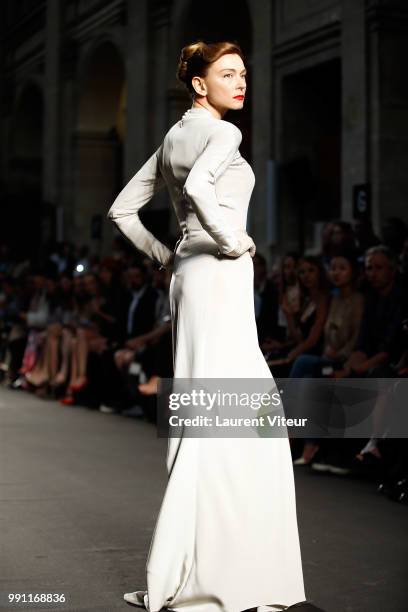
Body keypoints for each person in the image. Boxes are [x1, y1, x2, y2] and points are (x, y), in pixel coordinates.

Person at [108, 41, 315, 612]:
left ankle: (192, 559)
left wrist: (169, 255)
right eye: (227, 73)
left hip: (192, 279)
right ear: (199, 84)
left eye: (243, 73)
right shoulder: (225, 135)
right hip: (219, 275)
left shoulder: (173, 137)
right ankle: (227, 564)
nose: (240, 81)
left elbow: (122, 212)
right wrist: (234, 242)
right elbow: (200, 190)